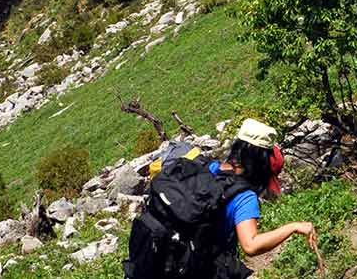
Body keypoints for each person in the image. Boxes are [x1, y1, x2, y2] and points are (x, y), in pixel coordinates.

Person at [125, 119, 317, 279]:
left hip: (165, 262)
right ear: (262, 163)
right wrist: (293, 227)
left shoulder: (208, 168)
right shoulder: (244, 196)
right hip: (198, 269)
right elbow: (251, 245)